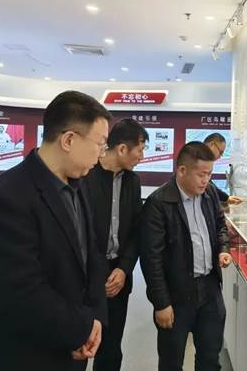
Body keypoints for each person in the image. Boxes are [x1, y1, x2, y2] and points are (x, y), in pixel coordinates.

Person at [0, 91, 111, 371]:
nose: (102, 154)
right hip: (19, 355)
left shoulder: (78, 186)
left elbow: (92, 257)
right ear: (69, 140)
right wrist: (80, 327)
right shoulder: (9, 197)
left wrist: (96, 319)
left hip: (67, 348)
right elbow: (17, 292)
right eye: (100, 144)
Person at [140, 141, 232, 371]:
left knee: (210, 358)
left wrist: (223, 249)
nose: (206, 180)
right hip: (177, 294)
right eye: (201, 174)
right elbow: (151, 259)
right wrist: (161, 303)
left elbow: (220, 225)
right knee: (172, 361)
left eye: (209, 174)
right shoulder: (158, 203)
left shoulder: (209, 193)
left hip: (210, 289)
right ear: (182, 170)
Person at [82, 118, 148, 371]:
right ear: (122, 149)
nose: (142, 157)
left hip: (118, 277)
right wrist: (99, 272)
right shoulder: (85, 176)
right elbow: (81, 232)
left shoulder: (133, 181)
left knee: (111, 347)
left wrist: (124, 269)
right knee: (80, 343)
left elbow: (136, 231)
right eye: (140, 150)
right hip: (87, 275)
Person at [203, 133, 242, 205]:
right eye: (220, 152)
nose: (220, 156)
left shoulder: (206, 161)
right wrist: (226, 198)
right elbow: (208, 185)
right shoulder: (197, 159)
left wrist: (226, 198)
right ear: (212, 145)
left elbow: (209, 185)